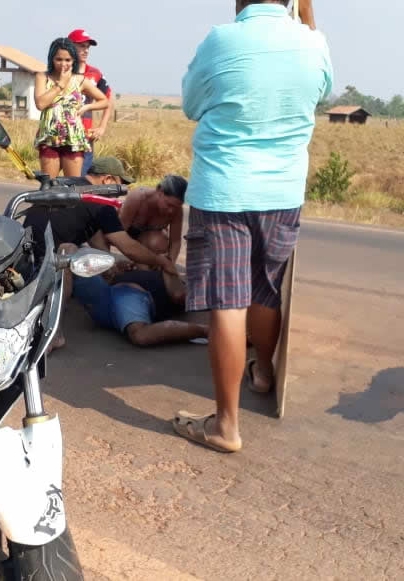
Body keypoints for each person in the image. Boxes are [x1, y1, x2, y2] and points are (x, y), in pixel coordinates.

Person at [173, 0, 332, 453]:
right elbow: (322, 90)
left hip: (224, 188)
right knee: (265, 288)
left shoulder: (222, 40)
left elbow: (190, 103)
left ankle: (226, 424)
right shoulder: (312, 42)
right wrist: (306, 16)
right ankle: (262, 371)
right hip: (282, 191)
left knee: (228, 300)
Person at [22, 157, 176, 274]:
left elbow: (91, 231)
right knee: (102, 291)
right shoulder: (100, 201)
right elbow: (128, 248)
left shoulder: (69, 184)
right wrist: (160, 261)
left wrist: (110, 265)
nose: (119, 192)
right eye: (119, 184)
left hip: (25, 256)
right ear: (107, 179)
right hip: (49, 265)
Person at [60, 243, 208, 347]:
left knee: (140, 335)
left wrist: (167, 268)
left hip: (129, 296)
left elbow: (179, 295)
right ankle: (54, 329)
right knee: (67, 251)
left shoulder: (171, 281)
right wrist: (115, 269)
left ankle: (207, 331)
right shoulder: (138, 270)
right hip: (108, 294)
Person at [34, 38, 108, 179]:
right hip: (50, 138)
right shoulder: (42, 77)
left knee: (72, 188)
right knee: (48, 188)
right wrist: (60, 84)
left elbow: (104, 101)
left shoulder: (79, 80)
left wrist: (87, 107)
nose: (63, 64)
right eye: (59, 59)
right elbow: (40, 104)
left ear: (73, 60)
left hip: (73, 140)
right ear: (51, 59)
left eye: (68, 60)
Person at [67, 28, 114, 176]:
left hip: (85, 136)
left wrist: (102, 127)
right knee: (54, 183)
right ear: (69, 46)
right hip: (61, 135)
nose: (85, 50)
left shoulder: (95, 74)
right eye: (81, 46)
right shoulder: (61, 71)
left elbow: (109, 99)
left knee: (80, 182)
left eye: (87, 47)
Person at [119, 174, 188, 263]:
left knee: (158, 242)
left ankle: (145, 266)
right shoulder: (138, 197)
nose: (171, 210)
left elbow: (175, 241)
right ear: (159, 191)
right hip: (125, 234)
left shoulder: (177, 210)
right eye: (168, 204)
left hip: (149, 240)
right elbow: (119, 232)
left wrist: (170, 263)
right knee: (105, 232)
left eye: (175, 207)